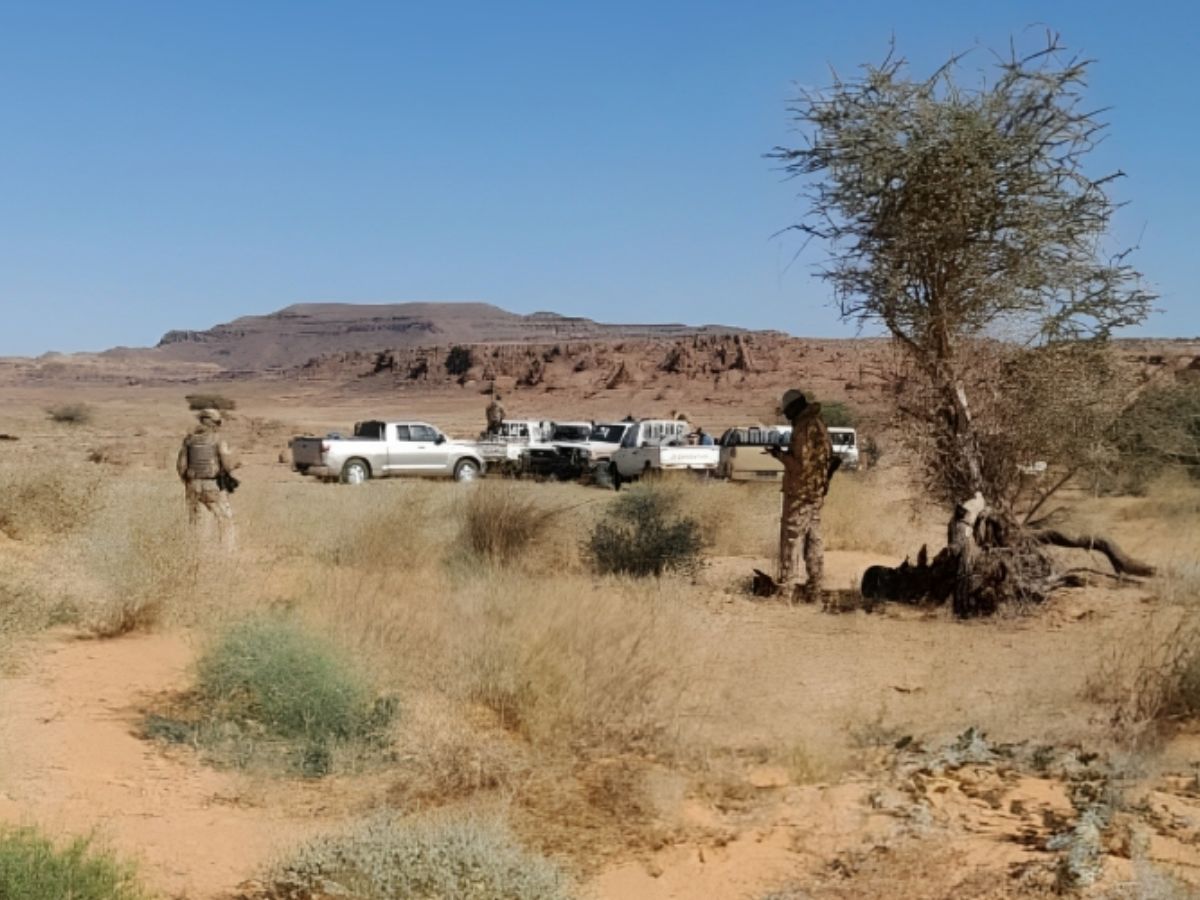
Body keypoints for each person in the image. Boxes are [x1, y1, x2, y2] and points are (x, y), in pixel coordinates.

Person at [766, 390, 838, 602]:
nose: (787, 416)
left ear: (795, 407)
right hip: (815, 492)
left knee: (792, 539)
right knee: (813, 540)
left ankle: (786, 590)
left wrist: (779, 454)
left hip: (800, 492)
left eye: (788, 411)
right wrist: (823, 484)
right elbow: (831, 460)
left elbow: (801, 466)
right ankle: (815, 589)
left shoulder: (804, 428)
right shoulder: (819, 424)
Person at [176, 408, 238, 549]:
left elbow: (181, 466)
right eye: (218, 422)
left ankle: (196, 550)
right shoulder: (218, 440)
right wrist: (235, 463)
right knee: (225, 518)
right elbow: (227, 465)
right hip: (212, 484)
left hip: (192, 485)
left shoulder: (189, 440)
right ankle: (227, 552)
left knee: (195, 520)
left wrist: (187, 482)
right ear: (214, 423)